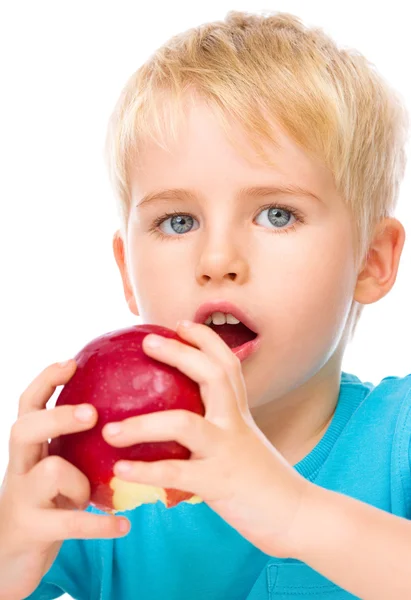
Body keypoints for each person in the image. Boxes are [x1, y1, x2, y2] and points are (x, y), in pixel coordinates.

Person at [1, 9, 410, 600]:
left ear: (372, 260)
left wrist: (293, 513)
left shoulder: (396, 439)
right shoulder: (100, 481)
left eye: (277, 214)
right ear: (127, 270)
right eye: (179, 220)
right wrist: (10, 556)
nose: (218, 258)